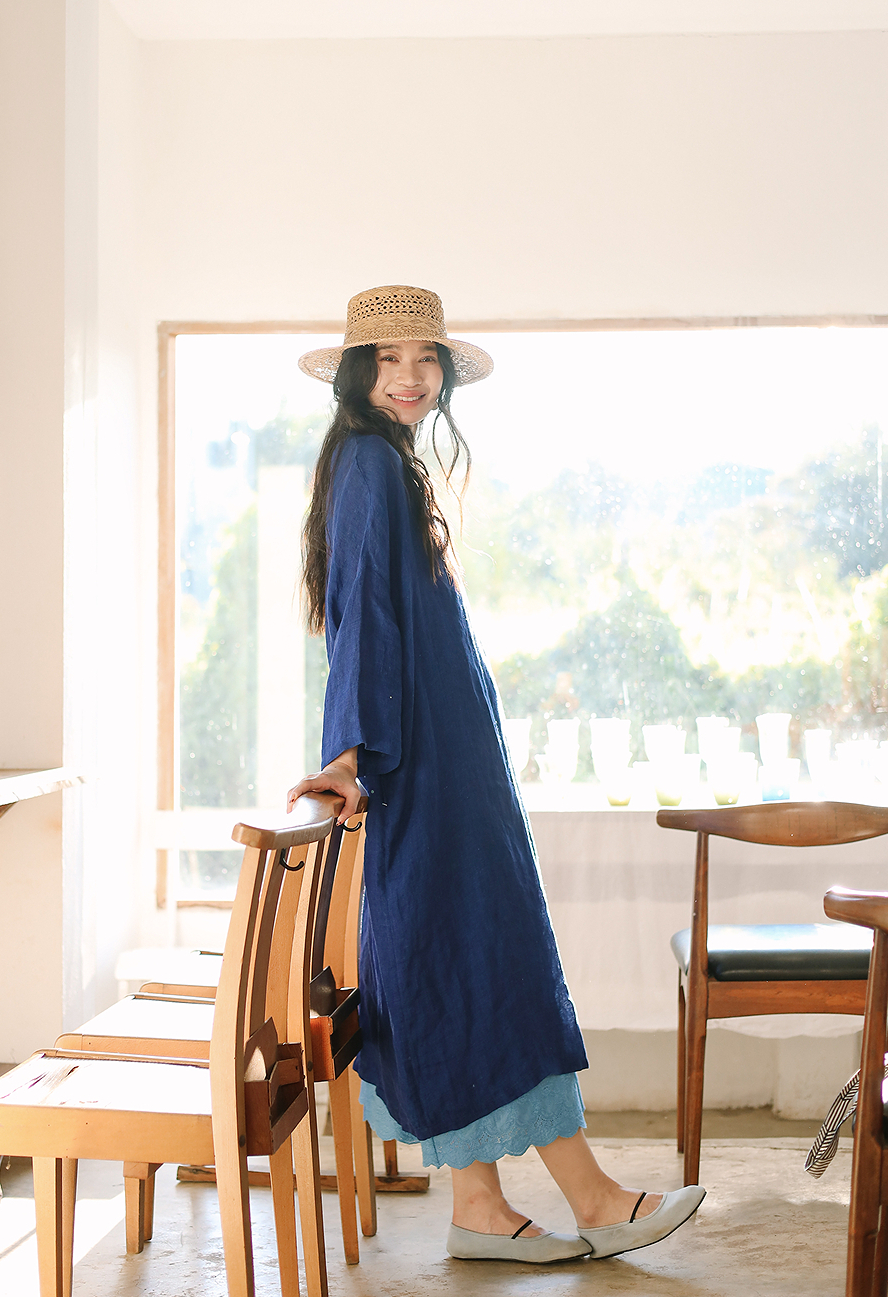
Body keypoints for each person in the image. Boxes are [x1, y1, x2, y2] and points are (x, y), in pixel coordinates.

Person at [287, 285, 705, 1263]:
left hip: (441, 766)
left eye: (426, 358)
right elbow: (362, 612)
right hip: (427, 773)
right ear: (357, 373)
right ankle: (593, 1198)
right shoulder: (367, 463)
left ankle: (479, 1205)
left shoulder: (382, 462)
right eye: (389, 360)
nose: (411, 377)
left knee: (454, 964)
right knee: (492, 960)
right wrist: (350, 753)